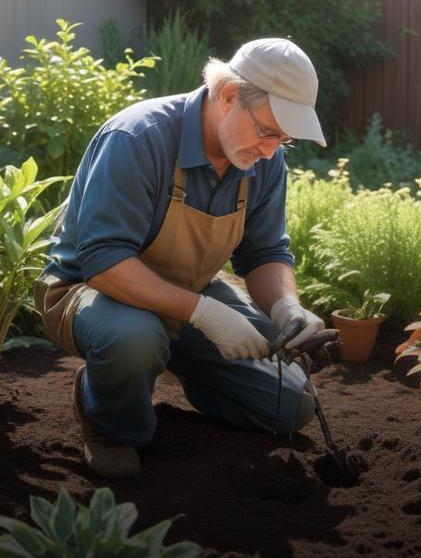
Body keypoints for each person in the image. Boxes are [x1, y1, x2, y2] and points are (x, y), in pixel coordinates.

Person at [34, 38, 329, 478]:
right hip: (91, 291)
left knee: (291, 405)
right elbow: (102, 259)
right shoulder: (138, 138)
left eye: (285, 139)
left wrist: (287, 307)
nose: (272, 149)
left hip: (188, 293)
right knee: (133, 338)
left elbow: (266, 252)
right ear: (229, 96)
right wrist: (205, 314)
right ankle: (108, 420)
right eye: (269, 131)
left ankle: (163, 363)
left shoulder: (263, 160)